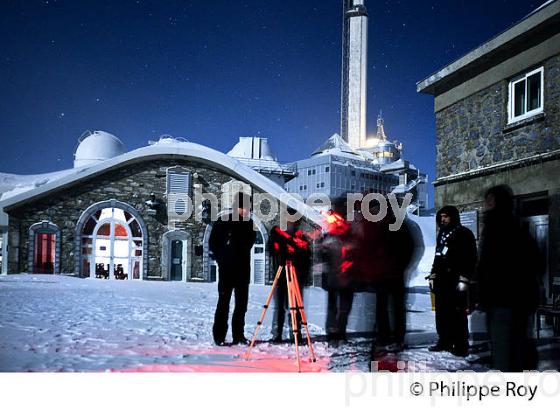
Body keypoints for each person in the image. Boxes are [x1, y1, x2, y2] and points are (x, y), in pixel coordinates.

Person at [476, 185, 541, 371]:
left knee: (506, 352)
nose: (486, 204)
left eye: (490, 200)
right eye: (486, 200)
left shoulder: (500, 226)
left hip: (505, 300)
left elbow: (491, 265)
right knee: (514, 348)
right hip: (509, 299)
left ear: (499, 202)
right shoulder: (506, 225)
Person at [427, 205, 477, 357]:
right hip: (442, 280)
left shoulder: (464, 233)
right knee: (442, 312)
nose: (443, 219)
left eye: (446, 216)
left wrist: (465, 277)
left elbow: (471, 257)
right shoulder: (442, 233)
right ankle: (444, 340)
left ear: (453, 217)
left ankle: (461, 344)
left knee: (458, 312)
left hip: (457, 280)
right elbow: (437, 256)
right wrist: (433, 274)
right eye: (441, 217)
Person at [209, 192, 257, 345]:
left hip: (243, 270)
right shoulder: (223, 221)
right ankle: (219, 337)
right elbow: (213, 243)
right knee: (224, 303)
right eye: (244, 207)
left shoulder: (249, 224)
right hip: (226, 270)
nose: (246, 211)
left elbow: (249, 243)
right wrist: (221, 260)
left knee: (241, 305)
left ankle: (239, 335)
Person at [269, 221, 311, 343]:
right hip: (281, 274)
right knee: (279, 307)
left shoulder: (301, 237)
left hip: (295, 275)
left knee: (295, 307)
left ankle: (295, 334)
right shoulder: (277, 234)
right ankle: (277, 334)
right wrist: (289, 244)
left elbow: (306, 255)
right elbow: (272, 249)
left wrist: (298, 246)